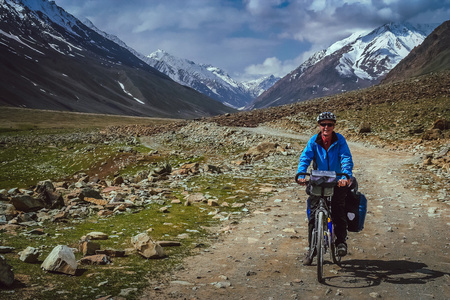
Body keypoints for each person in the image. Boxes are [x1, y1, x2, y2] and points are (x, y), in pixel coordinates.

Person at [296, 112, 353, 266]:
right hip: (318, 181)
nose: (326, 127)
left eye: (329, 124)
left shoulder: (339, 140)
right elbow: (305, 158)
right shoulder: (314, 141)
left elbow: (346, 158)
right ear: (319, 126)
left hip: (336, 181)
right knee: (313, 216)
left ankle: (341, 242)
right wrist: (301, 173)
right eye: (323, 124)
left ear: (334, 126)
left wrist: (345, 176)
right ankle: (312, 250)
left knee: (338, 210)